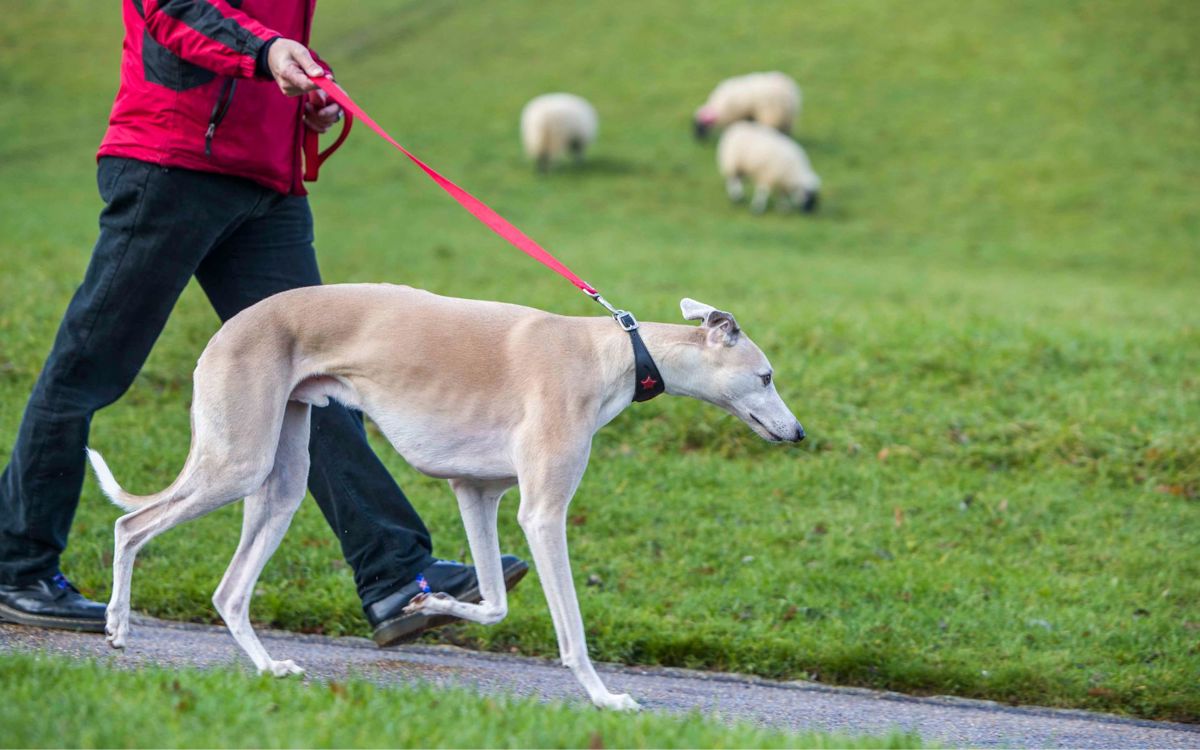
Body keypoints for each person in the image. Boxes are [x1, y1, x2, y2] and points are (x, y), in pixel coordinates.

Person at [0, 0, 526, 647]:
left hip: (266, 185)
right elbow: (179, 12)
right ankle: (15, 568)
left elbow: (267, 38)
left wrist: (302, 99)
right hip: (171, 168)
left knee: (324, 372)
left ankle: (396, 576)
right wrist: (269, 52)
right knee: (87, 370)